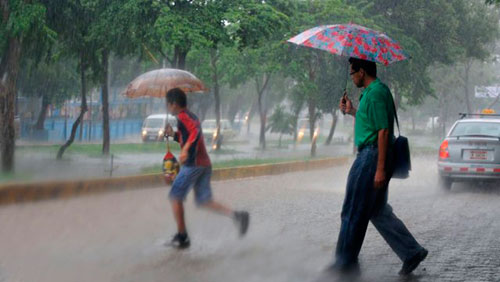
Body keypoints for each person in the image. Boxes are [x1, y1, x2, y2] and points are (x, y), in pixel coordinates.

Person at [333, 58, 427, 275]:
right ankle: (411, 251)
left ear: (362, 71)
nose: (352, 77)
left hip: (371, 156)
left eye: (352, 73)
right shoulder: (373, 92)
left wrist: (380, 169)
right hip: (373, 155)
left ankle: (343, 264)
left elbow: (383, 131)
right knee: (376, 210)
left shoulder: (375, 93)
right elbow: (373, 122)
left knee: (353, 209)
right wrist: (352, 111)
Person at [164, 88, 249, 249]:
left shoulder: (183, 117)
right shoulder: (188, 116)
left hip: (193, 165)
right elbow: (187, 135)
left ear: (174, 104)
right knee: (204, 201)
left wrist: (186, 148)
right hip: (203, 165)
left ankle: (182, 237)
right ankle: (237, 216)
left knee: (175, 196)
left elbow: (195, 132)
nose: (167, 107)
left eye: (168, 104)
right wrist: (173, 135)